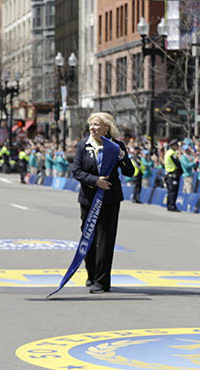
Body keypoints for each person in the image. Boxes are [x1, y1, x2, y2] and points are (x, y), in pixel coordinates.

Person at [72, 112, 134, 294]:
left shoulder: (116, 146)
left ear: (107, 127)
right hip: (88, 199)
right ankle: (91, 274)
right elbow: (76, 171)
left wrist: (123, 156)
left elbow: (130, 171)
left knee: (105, 241)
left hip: (109, 200)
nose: (93, 128)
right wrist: (94, 180)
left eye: (97, 125)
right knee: (89, 237)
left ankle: (102, 280)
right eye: (91, 124)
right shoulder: (84, 145)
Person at [164, 139, 183, 212]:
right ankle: (172, 205)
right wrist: (181, 170)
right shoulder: (172, 153)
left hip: (169, 174)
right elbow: (177, 163)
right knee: (173, 191)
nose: (177, 147)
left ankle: (169, 205)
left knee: (170, 191)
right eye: (176, 145)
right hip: (173, 173)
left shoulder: (168, 152)